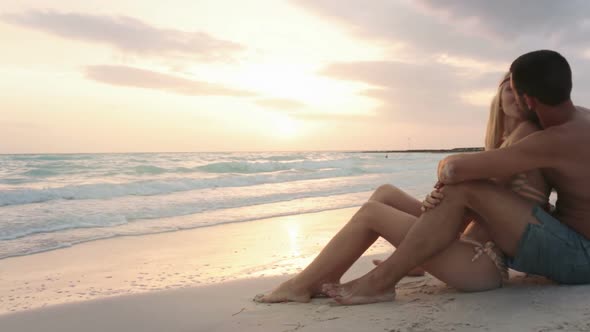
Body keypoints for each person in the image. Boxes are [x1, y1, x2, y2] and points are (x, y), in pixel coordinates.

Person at [255, 69, 549, 304]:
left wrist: (444, 197)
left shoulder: (526, 135)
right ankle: (326, 277)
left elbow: (477, 203)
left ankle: (301, 285)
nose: (515, 94)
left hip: (481, 265)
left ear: (532, 98)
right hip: (470, 249)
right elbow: (475, 209)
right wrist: (442, 202)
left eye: (522, 89)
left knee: (372, 213)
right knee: (385, 193)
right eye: (508, 87)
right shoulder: (504, 142)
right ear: (497, 95)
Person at [320, 50, 590, 305]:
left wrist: (446, 167)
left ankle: (381, 281)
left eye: (514, 91)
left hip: (580, 257)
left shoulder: (549, 141)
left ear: (528, 100)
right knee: (460, 190)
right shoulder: (581, 120)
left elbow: (458, 170)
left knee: (463, 189)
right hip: (572, 241)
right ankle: (406, 265)